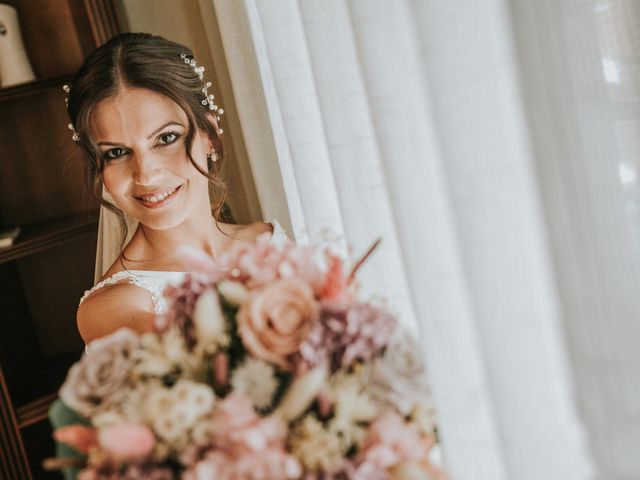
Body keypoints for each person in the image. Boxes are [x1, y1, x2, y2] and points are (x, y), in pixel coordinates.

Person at [68, 32, 286, 345]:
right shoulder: (113, 308)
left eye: (166, 138)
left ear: (209, 134)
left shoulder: (271, 241)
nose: (145, 175)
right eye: (116, 152)